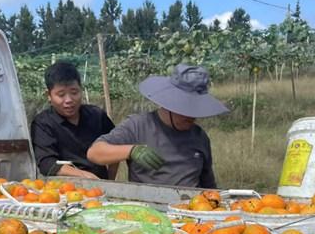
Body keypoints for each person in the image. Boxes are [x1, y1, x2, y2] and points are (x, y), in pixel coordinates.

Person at [87, 64, 228, 188]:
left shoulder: (200, 137)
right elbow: (95, 153)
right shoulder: (138, 126)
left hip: (189, 209)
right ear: (168, 102)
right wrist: (131, 151)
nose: (191, 116)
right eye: (184, 109)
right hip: (148, 210)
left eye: (194, 109)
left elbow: (208, 185)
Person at [30, 62, 116, 180]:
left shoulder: (97, 115)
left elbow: (116, 146)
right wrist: (84, 176)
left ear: (81, 90)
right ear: (49, 95)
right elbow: (47, 163)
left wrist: (111, 180)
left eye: (74, 92)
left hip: (101, 188)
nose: (69, 100)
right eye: (61, 95)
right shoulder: (43, 123)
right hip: (65, 191)